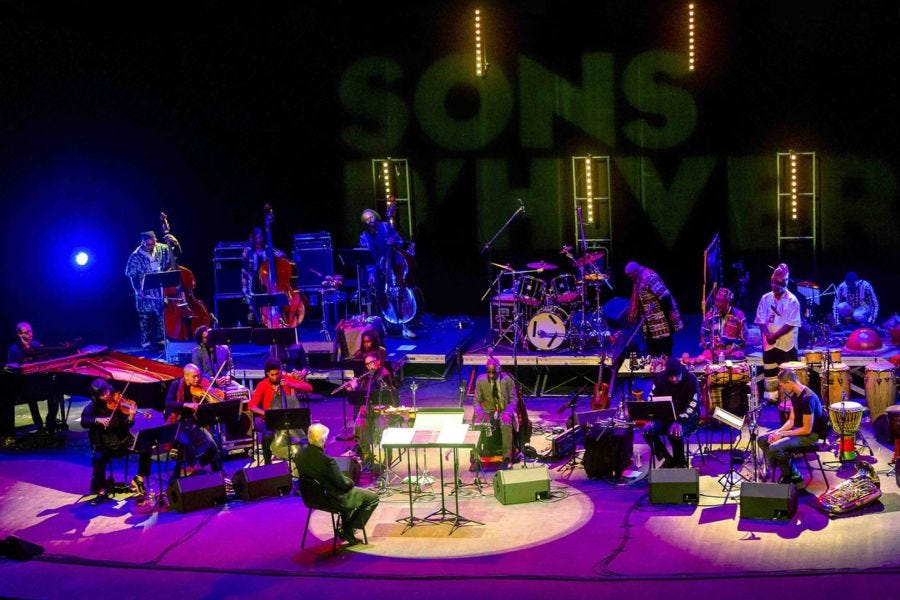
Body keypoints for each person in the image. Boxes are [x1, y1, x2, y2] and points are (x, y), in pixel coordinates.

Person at [295, 423, 379, 546]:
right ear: (324, 440)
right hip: (331, 499)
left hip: (311, 497)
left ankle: (346, 527)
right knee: (372, 498)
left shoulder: (299, 455)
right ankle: (347, 529)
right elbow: (343, 484)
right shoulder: (327, 461)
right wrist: (351, 480)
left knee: (349, 492)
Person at [80, 378, 152, 505]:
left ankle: (139, 479)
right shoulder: (92, 408)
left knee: (146, 446)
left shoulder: (118, 402)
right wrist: (97, 420)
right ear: (96, 396)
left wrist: (131, 417)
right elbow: (84, 422)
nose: (107, 395)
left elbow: (127, 425)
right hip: (105, 445)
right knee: (98, 458)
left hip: (123, 441)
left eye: (107, 391)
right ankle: (101, 490)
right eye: (102, 394)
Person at [758, 367, 826, 484]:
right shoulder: (795, 395)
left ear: (789, 383)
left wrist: (782, 435)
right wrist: (778, 432)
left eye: (783, 386)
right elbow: (791, 421)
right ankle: (786, 470)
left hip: (809, 436)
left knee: (774, 447)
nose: (783, 389)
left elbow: (806, 429)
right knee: (762, 440)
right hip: (798, 431)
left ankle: (793, 475)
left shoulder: (807, 399)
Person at [358, 208, 417, 339]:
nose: (370, 220)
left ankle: (404, 325)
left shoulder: (386, 227)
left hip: (394, 266)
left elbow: (401, 241)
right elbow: (367, 257)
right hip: (378, 269)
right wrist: (371, 273)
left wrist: (394, 242)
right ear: (364, 222)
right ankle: (383, 327)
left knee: (399, 293)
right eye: (366, 220)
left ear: (375, 216)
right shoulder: (364, 236)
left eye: (371, 217)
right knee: (380, 296)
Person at [248, 358, 312, 465]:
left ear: (280, 371)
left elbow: (309, 388)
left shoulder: (286, 380)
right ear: (267, 373)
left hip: (289, 418)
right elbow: (251, 406)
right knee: (267, 437)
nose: (275, 377)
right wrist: (266, 413)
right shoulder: (262, 384)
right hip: (271, 421)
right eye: (272, 375)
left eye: (277, 374)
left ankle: (306, 460)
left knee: (307, 433)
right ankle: (268, 464)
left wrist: (291, 384)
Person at [754, 263, 801, 403]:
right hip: (769, 343)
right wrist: (768, 335)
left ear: (785, 284)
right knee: (770, 373)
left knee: (787, 375)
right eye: (773, 283)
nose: (775, 286)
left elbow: (791, 323)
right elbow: (760, 319)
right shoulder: (765, 298)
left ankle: (787, 402)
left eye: (779, 284)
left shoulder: (792, 300)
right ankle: (772, 398)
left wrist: (774, 336)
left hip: (786, 344)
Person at [642, 357, 701, 469]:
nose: (674, 379)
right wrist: (651, 416)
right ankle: (667, 460)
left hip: (687, 418)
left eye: (676, 376)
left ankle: (680, 463)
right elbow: (651, 397)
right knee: (647, 431)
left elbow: (693, 404)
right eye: (670, 377)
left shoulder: (691, 380)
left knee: (674, 432)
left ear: (681, 372)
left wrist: (679, 421)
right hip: (665, 417)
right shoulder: (660, 378)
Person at [164, 364, 222, 474]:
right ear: (186, 376)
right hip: (178, 423)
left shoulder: (200, 384)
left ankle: (216, 473)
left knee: (212, 442)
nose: (197, 379)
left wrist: (215, 383)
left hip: (194, 422)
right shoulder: (176, 384)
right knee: (186, 443)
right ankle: (180, 473)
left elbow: (207, 378)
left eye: (198, 376)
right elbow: (168, 403)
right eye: (194, 376)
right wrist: (186, 404)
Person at [5, 322, 60, 435]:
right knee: (30, 393)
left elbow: (45, 361)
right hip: (23, 382)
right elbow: (12, 369)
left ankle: (50, 422)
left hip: (39, 380)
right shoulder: (13, 349)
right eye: (26, 332)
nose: (30, 334)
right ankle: (39, 426)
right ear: (20, 334)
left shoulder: (37, 345)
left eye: (31, 331)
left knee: (56, 391)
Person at [125, 230, 177, 350]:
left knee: (161, 316)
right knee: (145, 319)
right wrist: (137, 290)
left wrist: (174, 242)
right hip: (144, 292)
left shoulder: (160, 248)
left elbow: (174, 253)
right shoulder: (135, 256)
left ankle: (161, 340)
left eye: (153, 243)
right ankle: (146, 342)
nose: (151, 246)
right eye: (149, 244)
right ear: (143, 242)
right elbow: (132, 275)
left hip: (159, 290)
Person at [624, 261, 683, 357]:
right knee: (652, 350)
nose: (630, 278)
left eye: (630, 275)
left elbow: (665, 295)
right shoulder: (639, 279)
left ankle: (665, 364)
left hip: (661, 319)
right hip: (651, 320)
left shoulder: (648, 278)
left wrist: (671, 312)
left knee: (663, 348)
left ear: (635, 272)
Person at [350, 352, 398, 464]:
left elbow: (385, 392)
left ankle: (388, 454)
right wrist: (354, 388)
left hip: (382, 410)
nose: (369, 366)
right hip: (368, 410)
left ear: (378, 362)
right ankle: (367, 455)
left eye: (371, 363)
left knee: (383, 428)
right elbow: (363, 395)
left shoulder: (383, 374)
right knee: (359, 427)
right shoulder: (367, 376)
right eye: (367, 364)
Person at [473, 358, 520, 465]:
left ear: (499, 370)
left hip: (504, 410)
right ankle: (476, 456)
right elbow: (476, 401)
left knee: (506, 423)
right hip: (488, 410)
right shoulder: (481, 380)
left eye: (493, 372)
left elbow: (514, 399)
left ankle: (507, 457)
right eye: (488, 372)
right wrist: (480, 412)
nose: (491, 375)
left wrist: (508, 412)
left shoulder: (507, 380)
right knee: (478, 425)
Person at [241, 226, 286, 324]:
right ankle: (258, 323)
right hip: (254, 283)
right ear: (253, 238)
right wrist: (244, 286)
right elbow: (244, 270)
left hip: (267, 282)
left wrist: (281, 254)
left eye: (260, 236)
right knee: (253, 307)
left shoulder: (268, 248)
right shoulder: (247, 251)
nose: (259, 239)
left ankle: (272, 322)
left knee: (272, 303)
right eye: (257, 236)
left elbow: (282, 254)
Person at [698, 287, 747, 362]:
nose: (716, 303)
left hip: (732, 351)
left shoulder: (739, 316)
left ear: (728, 302)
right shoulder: (710, 315)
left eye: (720, 301)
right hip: (713, 351)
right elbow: (704, 334)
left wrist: (729, 350)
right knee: (702, 360)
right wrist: (711, 349)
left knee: (738, 359)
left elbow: (743, 337)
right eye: (716, 300)